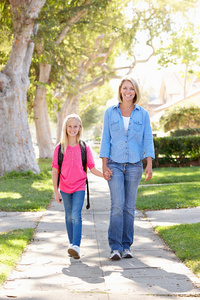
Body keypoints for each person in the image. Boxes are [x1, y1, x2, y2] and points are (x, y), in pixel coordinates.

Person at [100, 77, 155, 261]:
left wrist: (149, 163)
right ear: (120, 90)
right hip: (114, 164)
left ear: (135, 91)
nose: (128, 91)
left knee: (129, 208)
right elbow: (105, 139)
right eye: (125, 88)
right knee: (117, 205)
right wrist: (104, 165)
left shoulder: (143, 114)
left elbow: (148, 139)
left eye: (131, 88)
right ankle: (115, 247)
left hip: (134, 165)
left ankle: (126, 246)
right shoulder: (110, 112)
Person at [52, 114, 103, 259]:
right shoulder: (59, 148)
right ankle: (72, 245)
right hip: (65, 187)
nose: (72, 129)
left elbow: (92, 168)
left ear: (80, 128)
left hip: (80, 186)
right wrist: (56, 192)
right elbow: (55, 171)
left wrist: (104, 175)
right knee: (68, 216)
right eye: (70, 126)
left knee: (75, 215)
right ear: (65, 128)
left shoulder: (84, 147)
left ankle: (76, 246)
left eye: (75, 126)